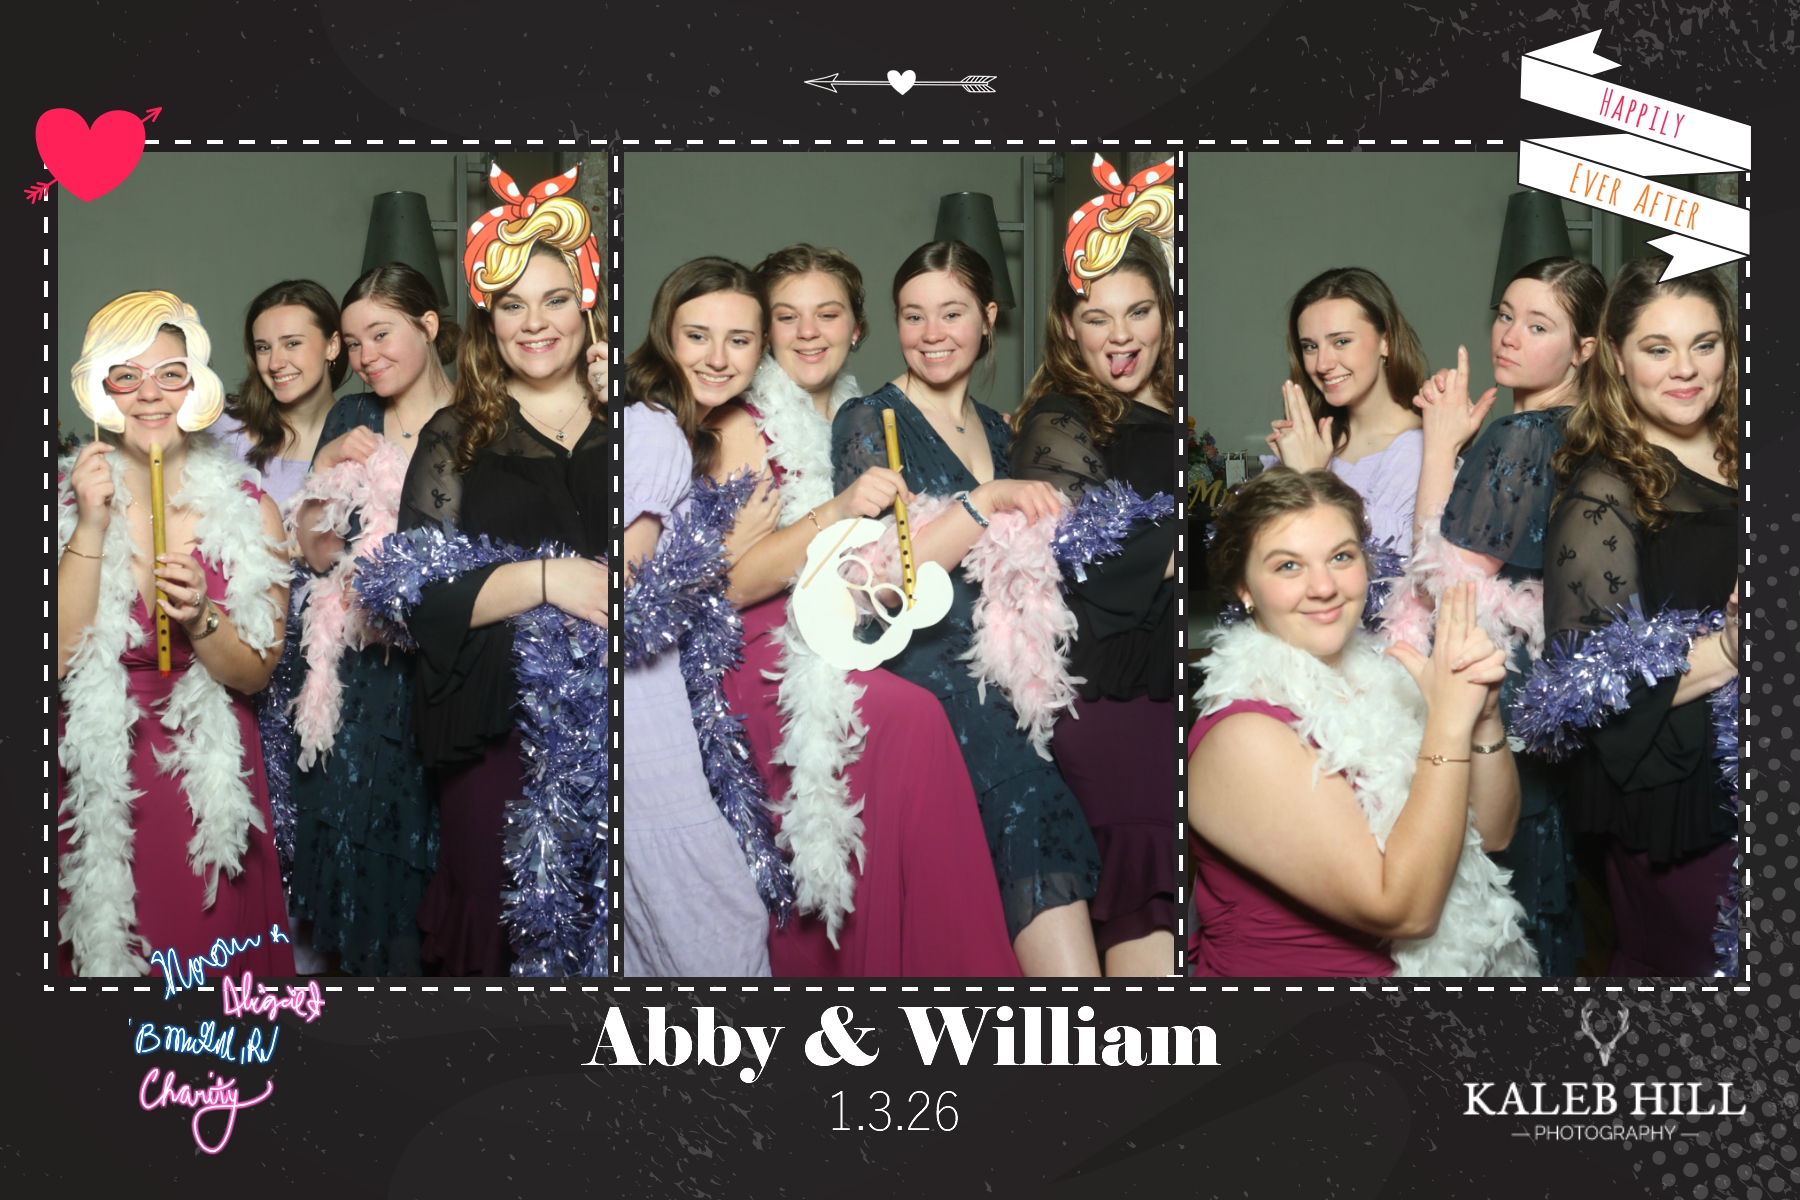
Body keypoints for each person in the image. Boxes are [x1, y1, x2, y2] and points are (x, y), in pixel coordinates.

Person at [706, 243, 1018, 976]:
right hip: (771, 653)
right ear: (766, 331)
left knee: (938, 706)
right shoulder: (743, 426)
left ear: (857, 328)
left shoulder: (866, 417)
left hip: (854, 635)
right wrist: (841, 509)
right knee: (915, 719)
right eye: (787, 318)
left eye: (828, 315)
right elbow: (735, 584)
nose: (809, 333)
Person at [832, 240, 1104, 976]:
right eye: (913, 316)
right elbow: (877, 589)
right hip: (931, 677)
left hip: (1015, 675)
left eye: (951, 313)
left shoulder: (1005, 429)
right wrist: (983, 502)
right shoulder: (868, 421)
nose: (931, 333)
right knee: (1033, 811)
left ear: (987, 319)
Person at [1188, 467, 1531, 977]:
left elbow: (1497, 832)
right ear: (1244, 588)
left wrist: (1481, 716)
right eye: (1287, 566)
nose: (1323, 586)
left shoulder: (1387, 676)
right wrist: (1446, 725)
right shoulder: (1243, 737)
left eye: (1341, 557)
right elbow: (1403, 910)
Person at [393, 165, 608, 976]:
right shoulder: (458, 436)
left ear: (588, 304)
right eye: (512, 304)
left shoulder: (637, 423)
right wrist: (551, 580)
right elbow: (416, 595)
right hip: (497, 725)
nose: (534, 323)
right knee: (503, 919)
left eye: (555, 299)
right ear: (489, 320)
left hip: (624, 717)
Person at [56, 291, 295, 978]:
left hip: (212, 779)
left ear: (197, 384)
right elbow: (59, 656)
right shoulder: (67, 506)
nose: (149, 394)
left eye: (171, 372)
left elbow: (255, 674)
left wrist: (201, 618)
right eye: (126, 375)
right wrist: (93, 527)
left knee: (210, 971)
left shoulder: (252, 511)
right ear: (100, 389)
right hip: (101, 769)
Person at [1526, 255, 1739, 977]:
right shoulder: (1603, 491)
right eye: (1658, 348)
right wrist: (1740, 645)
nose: (1685, 369)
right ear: (1616, 357)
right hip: (1680, 803)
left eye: (1704, 344)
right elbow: (1585, 693)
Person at [1397, 257, 1606, 976]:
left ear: (1585, 349)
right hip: (1536, 686)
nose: (1510, 336)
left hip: (1493, 680)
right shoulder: (1578, 429)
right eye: (1506, 314)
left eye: (1539, 325)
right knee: (1535, 885)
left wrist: (1439, 441)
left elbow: (1441, 580)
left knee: (1491, 893)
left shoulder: (1524, 436)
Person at [1011, 229, 1178, 976]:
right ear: (1067, 327)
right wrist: (1179, 545)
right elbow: (1079, 568)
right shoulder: (1061, 416)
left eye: (1139, 311)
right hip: (1116, 706)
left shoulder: (1179, 418)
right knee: (1144, 912)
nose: (1121, 337)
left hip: (1185, 690)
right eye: (1097, 316)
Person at [281, 262, 455, 975]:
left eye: (380, 334)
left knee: (437, 864)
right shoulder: (352, 416)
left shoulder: (480, 417)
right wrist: (322, 469)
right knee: (357, 866)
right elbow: (315, 556)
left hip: (446, 672)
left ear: (429, 326)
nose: (364, 356)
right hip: (356, 679)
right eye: (352, 342)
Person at [621, 256, 779, 977]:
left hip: (657, 695)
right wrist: (730, 557)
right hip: (633, 700)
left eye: (740, 340)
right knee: (719, 918)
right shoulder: (653, 428)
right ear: (665, 336)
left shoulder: (680, 425)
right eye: (697, 335)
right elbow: (624, 596)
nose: (718, 358)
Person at [212, 280, 350, 972]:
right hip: (245, 660)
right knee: (257, 827)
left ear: (332, 345)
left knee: (326, 831)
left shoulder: (366, 433)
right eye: (263, 347)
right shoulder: (226, 435)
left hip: (338, 665)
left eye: (293, 343)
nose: (276, 361)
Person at [1264, 267, 1429, 556]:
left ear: (1385, 341)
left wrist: (1311, 476)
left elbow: (1386, 571)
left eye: (1341, 341)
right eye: (1310, 346)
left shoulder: (1419, 449)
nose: (1322, 364)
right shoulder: (1308, 442)